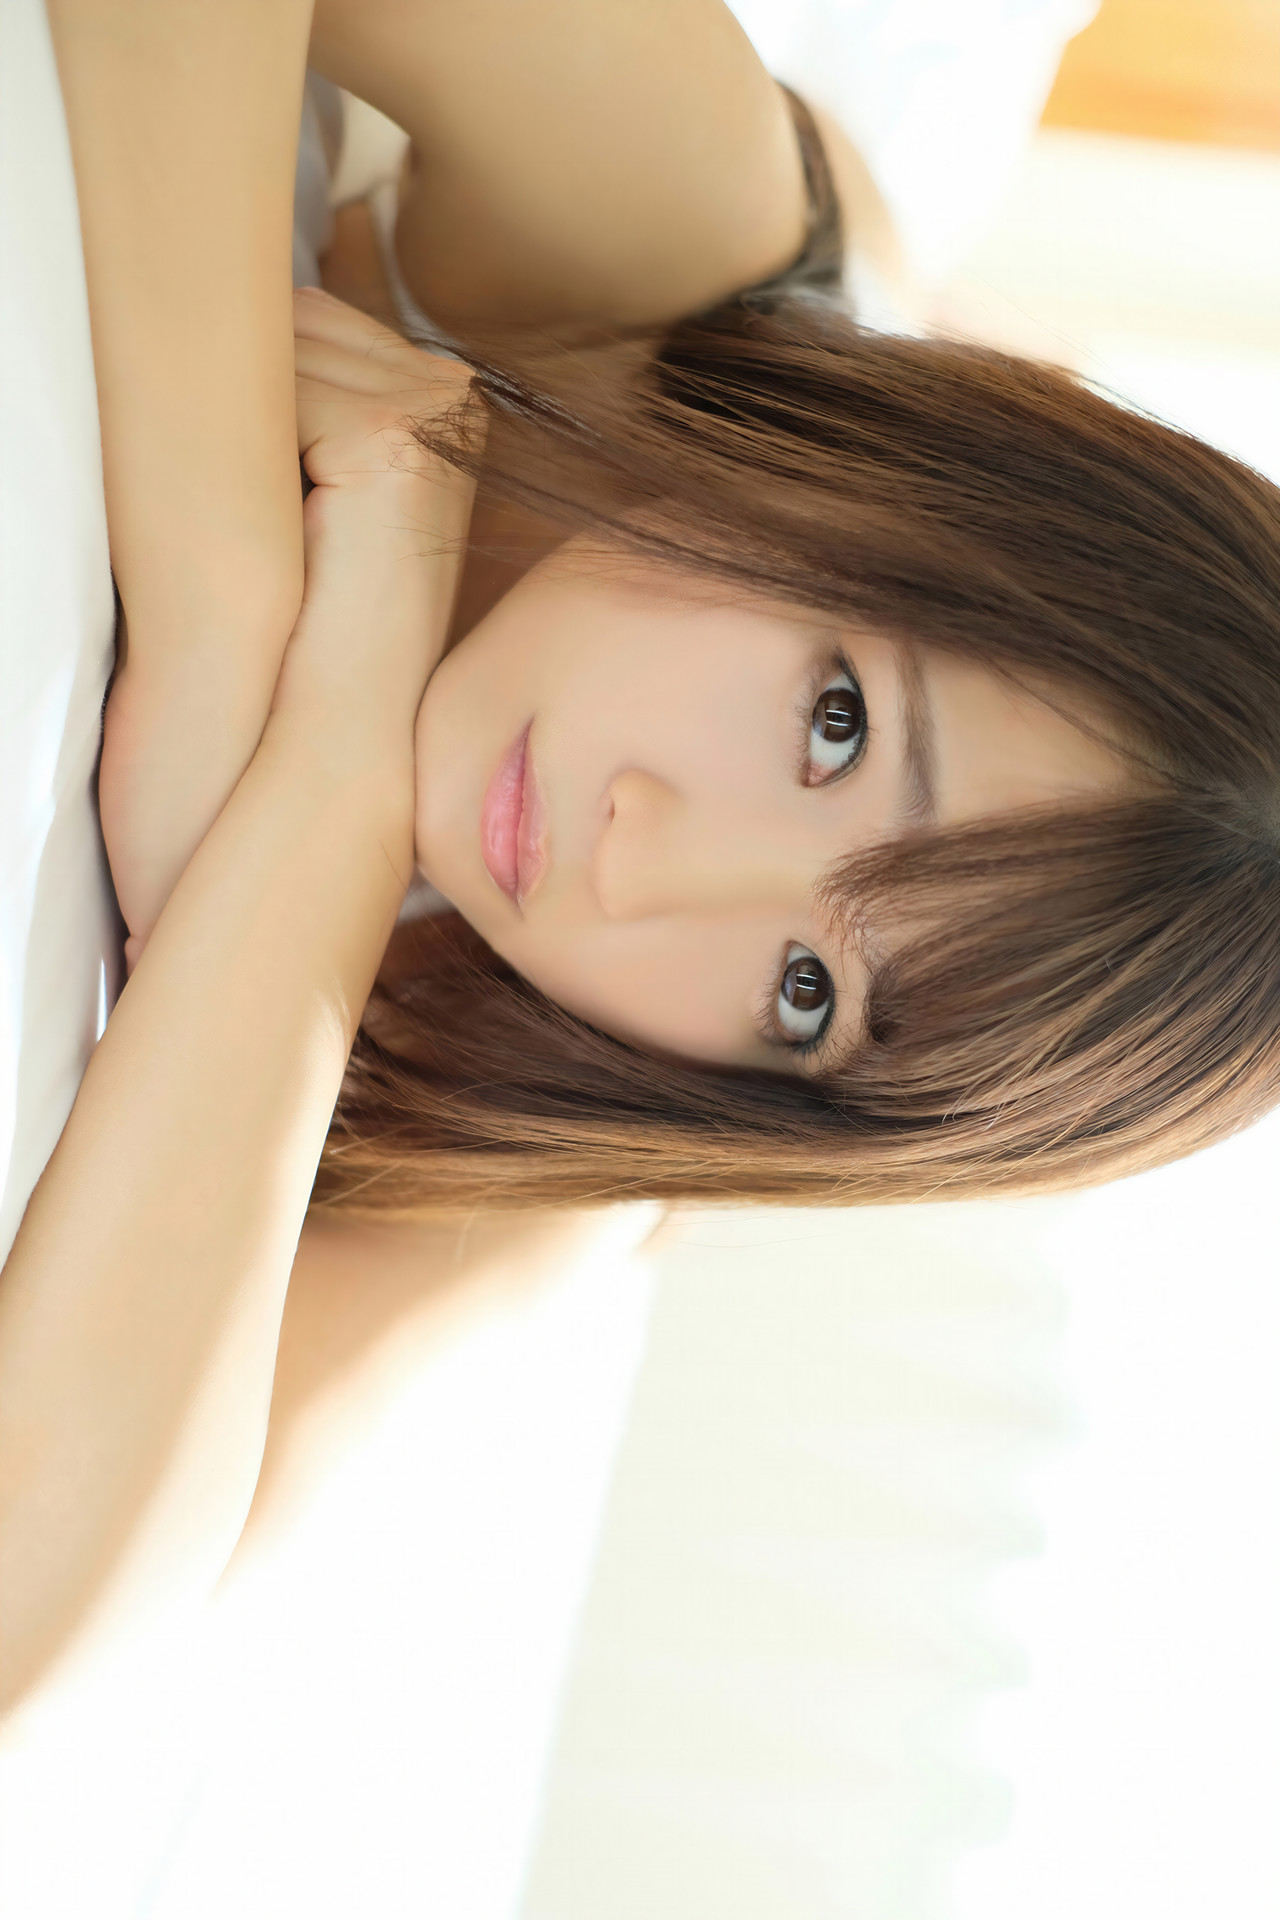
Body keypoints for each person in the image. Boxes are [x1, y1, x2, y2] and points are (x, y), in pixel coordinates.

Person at [2, 0, 1278, 1711]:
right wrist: (222, 600)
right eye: (835, 724)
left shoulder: (599, 1148)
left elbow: (30, 1611)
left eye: (807, 993)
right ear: (867, 496)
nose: (642, 863)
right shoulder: (693, 248)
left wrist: (327, 793)